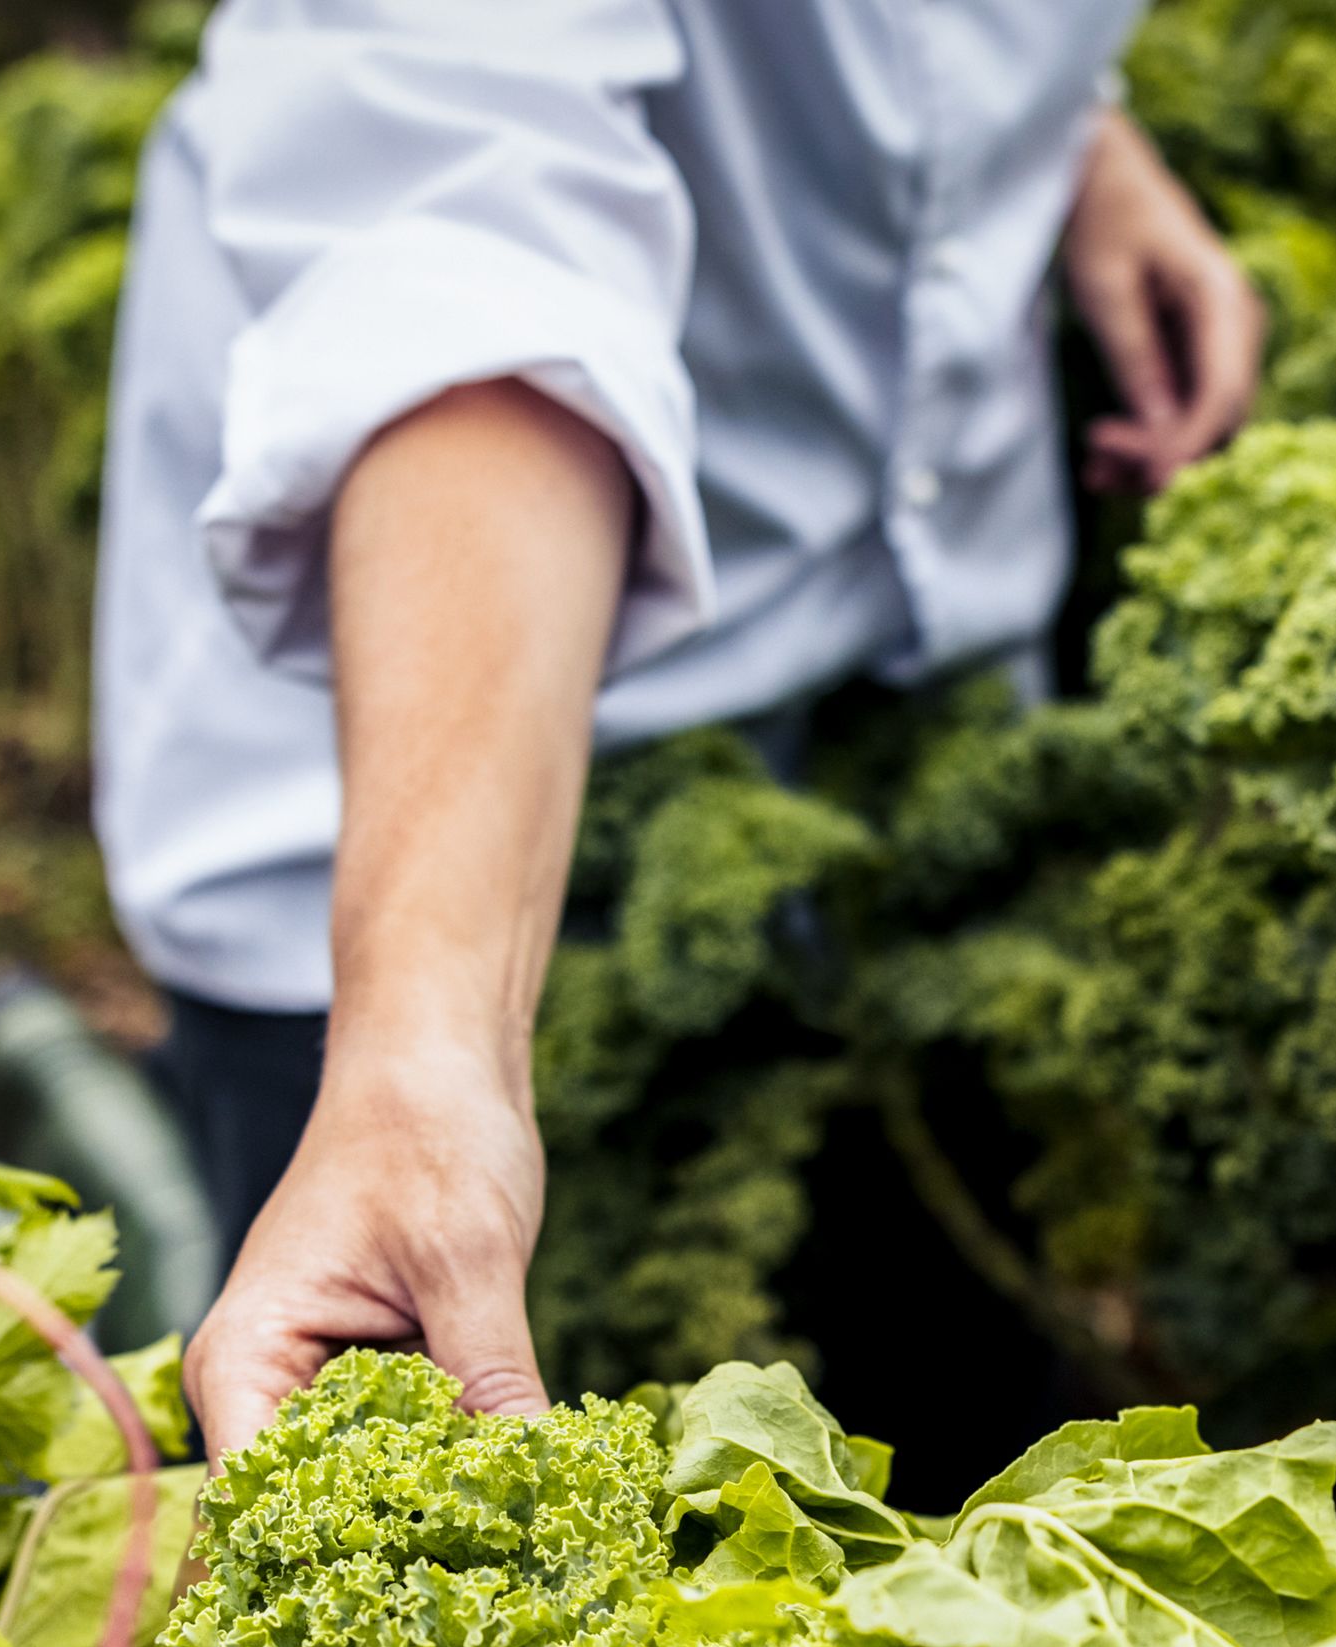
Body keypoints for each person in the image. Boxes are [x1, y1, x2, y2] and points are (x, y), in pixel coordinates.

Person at [93, 3, 1264, 1459]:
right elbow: (468, 256)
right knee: (435, 1434)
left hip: (899, 718)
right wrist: (426, 1066)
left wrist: (1053, 138)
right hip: (430, 768)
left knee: (948, 1432)